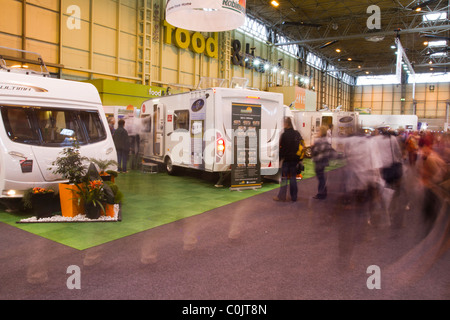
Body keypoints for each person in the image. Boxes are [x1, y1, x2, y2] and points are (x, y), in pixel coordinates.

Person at [274, 117, 301, 202]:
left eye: (284, 123)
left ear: (286, 124)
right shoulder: (297, 133)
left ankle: (282, 197)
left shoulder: (284, 135)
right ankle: (294, 197)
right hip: (295, 160)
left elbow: (281, 148)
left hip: (286, 160)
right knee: (293, 178)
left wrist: (279, 160)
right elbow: (300, 146)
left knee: (284, 178)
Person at [312, 126, 332, 199]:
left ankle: (321, 194)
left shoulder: (319, 141)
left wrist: (313, 147)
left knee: (321, 178)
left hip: (319, 161)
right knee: (322, 177)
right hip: (323, 161)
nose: (317, 132)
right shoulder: (326, 140)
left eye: (319, 131)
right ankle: (323, 192)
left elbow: (315, 151)